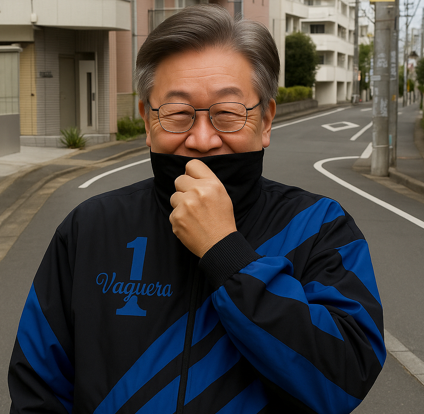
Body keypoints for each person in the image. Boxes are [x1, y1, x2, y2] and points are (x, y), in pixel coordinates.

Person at [9, 5, 385, 414]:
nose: (202, 140)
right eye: (177, 114)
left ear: (265, 120)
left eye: (227, 113)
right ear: (147, 122)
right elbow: (38, 392)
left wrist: (227, 254)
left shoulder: (319, 228)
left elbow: (344, 380)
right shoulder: (89, 229)